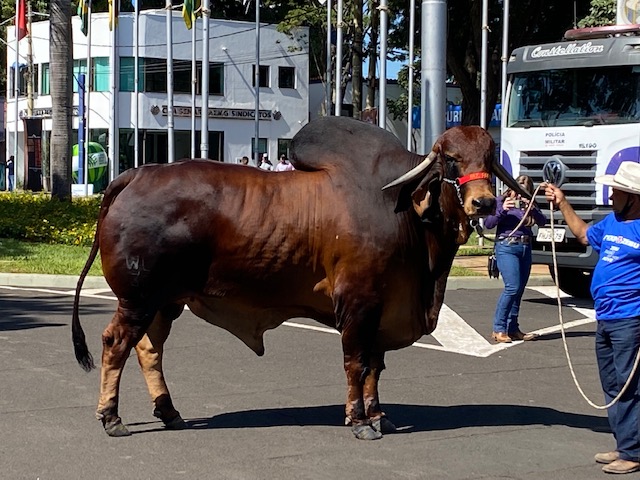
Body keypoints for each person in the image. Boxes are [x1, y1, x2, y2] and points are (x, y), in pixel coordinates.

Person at [544, 161, 640, 475]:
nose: (611, 196)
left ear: (633, 197)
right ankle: (625, 443)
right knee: (613, 384)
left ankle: (634, 452)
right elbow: (584, 234)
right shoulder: (612, 222)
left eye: (617, 191)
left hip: (631, 320)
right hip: (607, 318)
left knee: (629, 385)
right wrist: (562, 202)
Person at [483, 175, 546, 343]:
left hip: (525, 247)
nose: (519, 196)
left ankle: (513, 328)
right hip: (507, 246)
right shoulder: (500, 201)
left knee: (519, 290)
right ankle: (499, 328)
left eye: (524, 193)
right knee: (512, 287)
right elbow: (488, 224)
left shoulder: (529, 205)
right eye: (518, 191)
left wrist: (532, 209)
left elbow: (543, 222)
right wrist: (503, 209)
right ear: (511, 188)